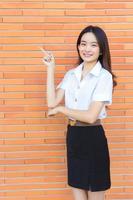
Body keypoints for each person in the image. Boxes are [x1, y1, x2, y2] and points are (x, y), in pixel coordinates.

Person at [41, 25, 116, 200]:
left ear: (101, 50)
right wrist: (50, 68)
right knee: (77, 190)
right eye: (83, 44)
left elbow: (91, 116)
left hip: (93, 138)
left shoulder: (104, 77)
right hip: (73, 136)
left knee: (95, 193)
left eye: (93, 45)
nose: (87, 49)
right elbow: (52, 102)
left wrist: (61, 109)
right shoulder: (71, 75)